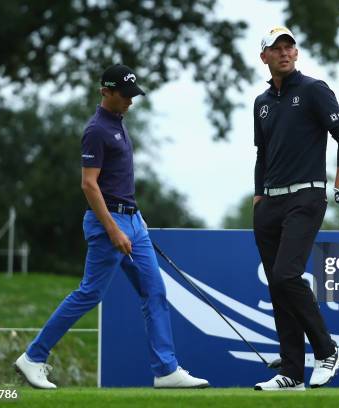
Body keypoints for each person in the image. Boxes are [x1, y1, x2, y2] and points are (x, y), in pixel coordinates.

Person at [13, 64, 209, 390]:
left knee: (155, 292)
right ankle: (33, 357)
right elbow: (89, 185)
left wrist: (134, 216)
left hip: (133, 220)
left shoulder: (118, 123)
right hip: (109, 224)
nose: (131, 101)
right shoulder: (96, 130)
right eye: (126, 95)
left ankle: (166, 370)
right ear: (106, 92)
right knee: (90, 293)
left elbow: (118, 181)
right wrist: (114, 229)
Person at [252, 27, 339, 391]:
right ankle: (292, 373)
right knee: (278, 288)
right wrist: (258, 197)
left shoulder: (314, 90)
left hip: (306, 196)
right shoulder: (261, 103)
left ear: (296, 54)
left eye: (289, 47)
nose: (284, 53)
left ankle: (327, 351)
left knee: (286, 276)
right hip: (270, 202)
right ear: (264, 57)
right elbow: (262, 154)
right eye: (276, 49)